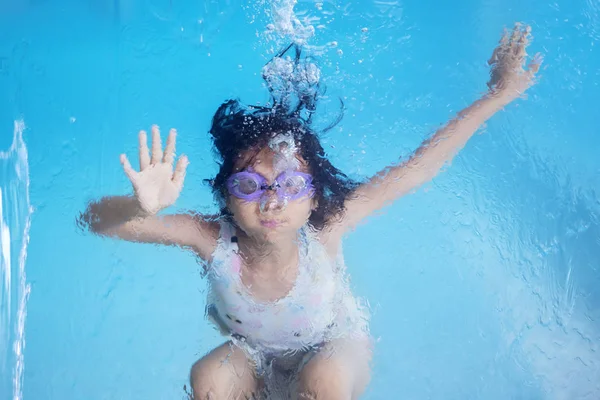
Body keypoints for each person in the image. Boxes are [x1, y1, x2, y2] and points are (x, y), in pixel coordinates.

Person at [80, 23, 542, 400]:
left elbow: (418, 167)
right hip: (254, 356)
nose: (272, 200)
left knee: (322, 383)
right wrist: (136, 205)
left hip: (333, 348)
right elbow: (96, 222)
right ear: (225, 196)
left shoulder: (327, 229)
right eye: (250, 184)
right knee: (208, 379)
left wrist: (497, 95)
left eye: (291, 184)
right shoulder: (210, 238)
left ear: (315, 196)